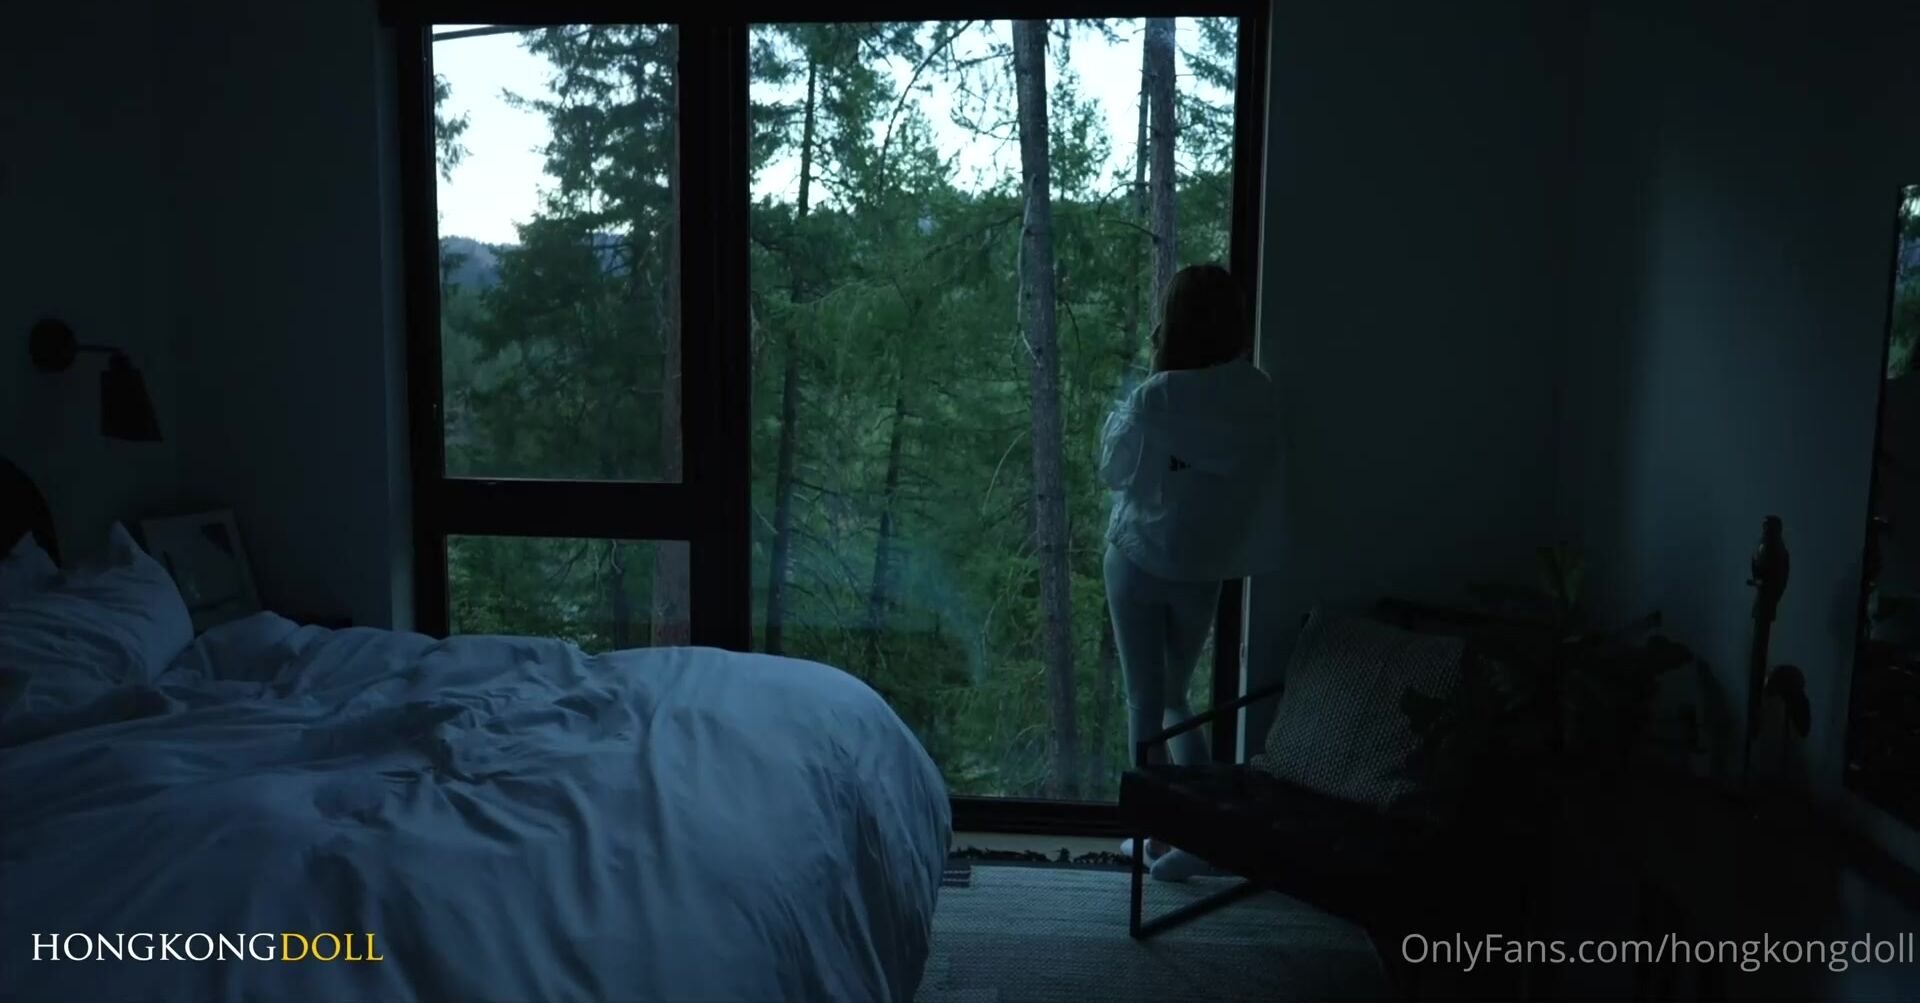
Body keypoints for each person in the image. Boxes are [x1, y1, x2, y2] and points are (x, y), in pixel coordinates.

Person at [1099, 262, 1284, 882]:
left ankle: (1152, 834)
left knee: (1145, 700)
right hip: (1202, 568)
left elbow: (1115, 471)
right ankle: (1200, 836)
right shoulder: (1257, 392)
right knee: (1178, 697)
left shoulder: (1160, 394)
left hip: (1139, 558)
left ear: (1174, 321)